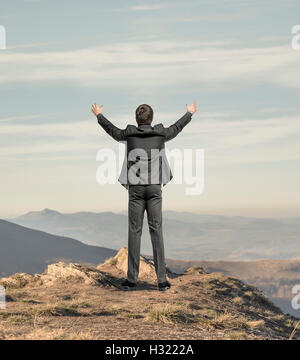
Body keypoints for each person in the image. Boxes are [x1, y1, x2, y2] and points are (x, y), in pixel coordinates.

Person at [91, 102, 197, 291]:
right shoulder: (161, 133)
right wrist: (189, 113)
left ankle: (132, 279)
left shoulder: (129, 134)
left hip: (136, 191)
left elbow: (112, 131)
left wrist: (99, 115)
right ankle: (162, 280)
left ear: (136, 119)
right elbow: (177, 127)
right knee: (157, 231)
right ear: (151, 118)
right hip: (155, 189)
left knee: (135, 232)